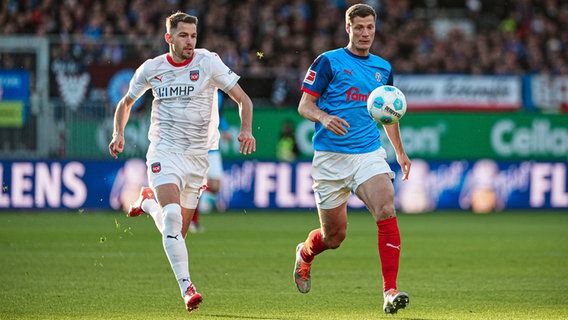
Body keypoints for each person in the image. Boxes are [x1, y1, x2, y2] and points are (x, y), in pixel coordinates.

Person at [108, 11, 256, 313]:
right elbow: (127, 102)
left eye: (193, 35)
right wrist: (117, 133)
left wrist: (245, 130)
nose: (189, 41)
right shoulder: (152, 68)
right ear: (169, 38)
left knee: (176, 232)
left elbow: (244, 100)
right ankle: (187, 288)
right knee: (173, 219)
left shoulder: (208, 62)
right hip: (164, 152)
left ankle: (148, 203)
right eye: (183, 35)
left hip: (198, 157)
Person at [293, 3, 412, 315]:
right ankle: (306, 253)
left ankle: (390, 291)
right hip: (330, 160)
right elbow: (304, 106)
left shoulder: (383, 68)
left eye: (370, 27)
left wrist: (399, 151)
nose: (365, 33)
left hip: (368, 154)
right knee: (334, 237)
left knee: (386, 207)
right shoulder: (328, 61)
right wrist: (323, 116)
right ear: (348, 28)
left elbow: (389, 114)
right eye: (359, 27)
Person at [190, 91, 231, 233]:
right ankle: (193, 221)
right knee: (196, 184)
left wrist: (225, 129)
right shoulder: (194, 89)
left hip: (212, 147)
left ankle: (190, 191)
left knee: (215, 186)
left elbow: (219, 115)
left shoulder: (218, 95)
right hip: (196, 146)